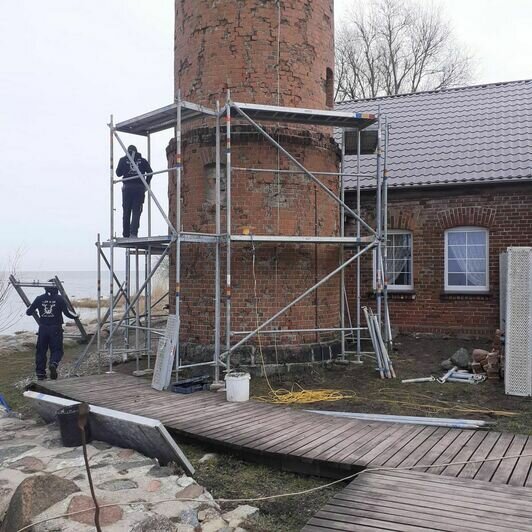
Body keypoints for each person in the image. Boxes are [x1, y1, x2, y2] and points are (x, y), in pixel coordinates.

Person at [26, 281, 79, 380]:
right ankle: (53, 364)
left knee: (41, 351)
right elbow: (67, 313)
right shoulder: (59, 299)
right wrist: (76, 316)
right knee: (57, 350)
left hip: (43, 328)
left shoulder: (39, 298)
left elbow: (29, 312)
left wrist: (33, 309)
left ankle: (40, 374)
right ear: (56, 288)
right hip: (55, 328)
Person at [116, 145, 153, 238]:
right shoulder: (143, 161)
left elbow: (118, 173)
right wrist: (146, 184)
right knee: (136, 211)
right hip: (139, 188)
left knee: (126, 211)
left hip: (127, 188)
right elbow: (150, 173)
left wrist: (126, 167)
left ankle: (126, 234)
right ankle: (133, 233)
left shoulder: (123, 160)